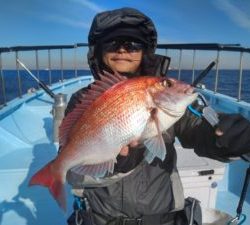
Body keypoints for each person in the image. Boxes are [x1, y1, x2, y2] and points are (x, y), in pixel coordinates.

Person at [65, 7, 250, 225]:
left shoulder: (165, 97)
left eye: (133, 44)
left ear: (146, 51)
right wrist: (118, 166)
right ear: (98, 50)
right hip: (100, 219)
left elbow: (197, 128)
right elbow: (72, 172)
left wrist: (225, 138)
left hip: (161, 218)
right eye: (112, 43)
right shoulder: (82, 100)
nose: (123, 50)